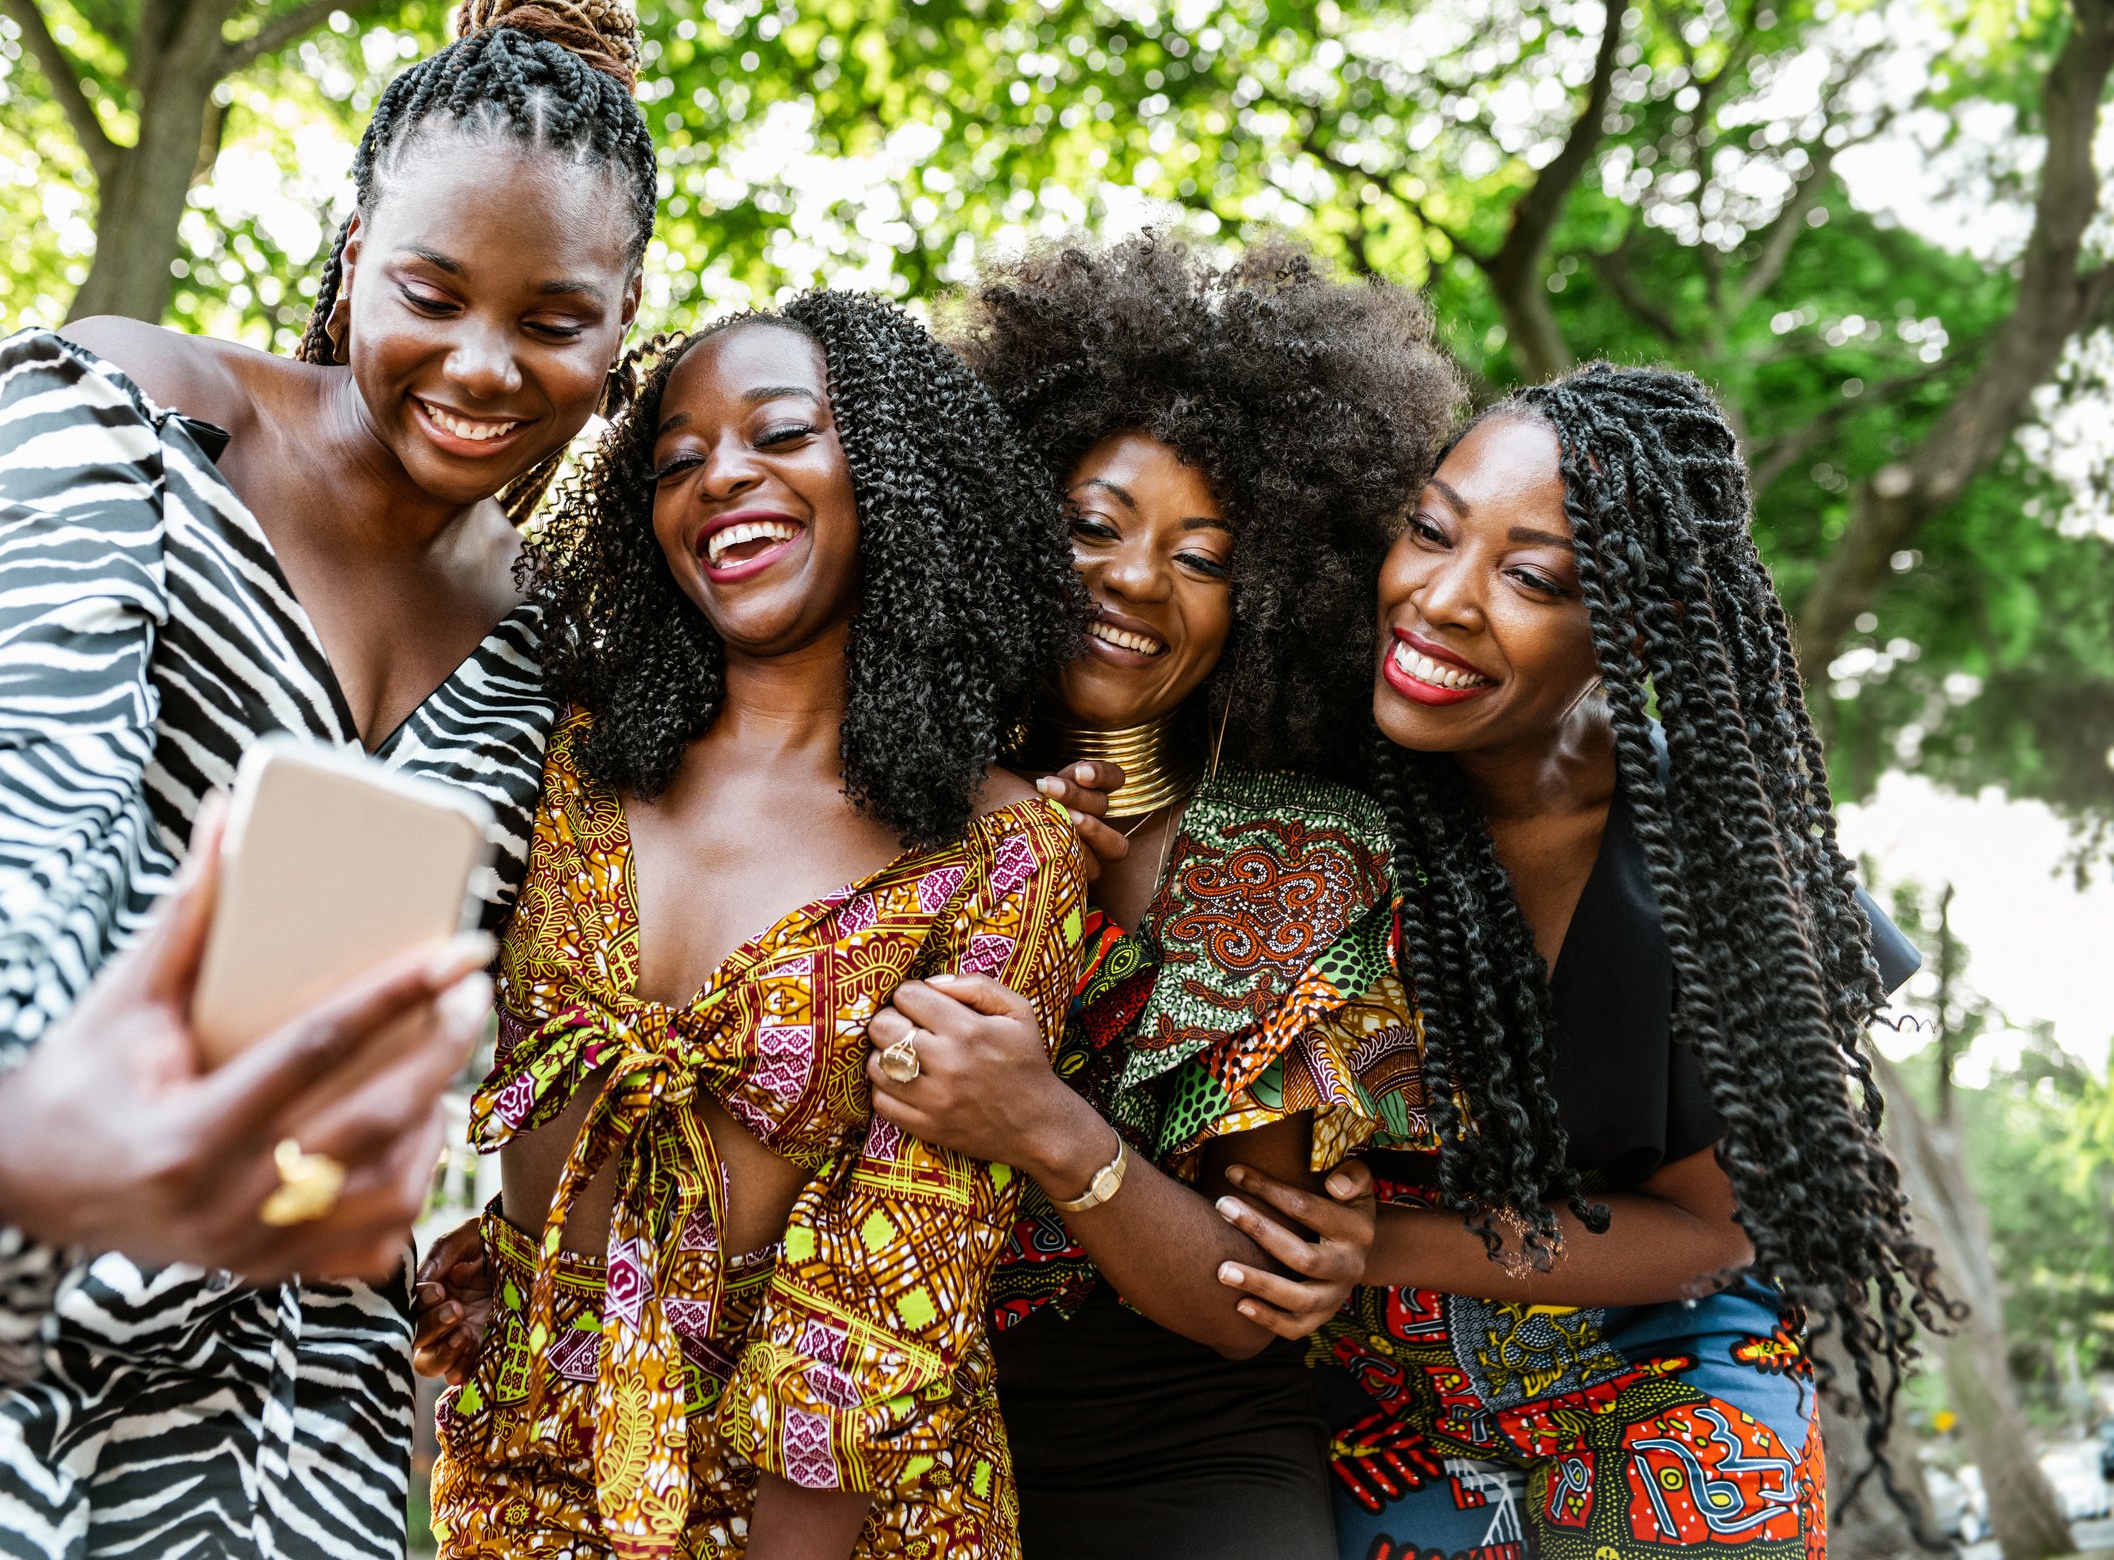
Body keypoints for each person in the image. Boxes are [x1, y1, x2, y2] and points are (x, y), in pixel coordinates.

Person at [0, 0, 658, 1560]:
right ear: (352, 263)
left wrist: (483, 1236)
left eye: (551, 321)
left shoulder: (562, 644)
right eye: (431, 294)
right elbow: (12, 802)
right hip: (1, 1212)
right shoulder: (135, 409)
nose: (484, 366)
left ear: (618, 336)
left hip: (286, 1380)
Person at [1214, 366, 1948, 1560]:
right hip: (1377, 1393)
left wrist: (1373, 1248)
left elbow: (1713, 1230)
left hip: (1658, 1362)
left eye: (1530, 576)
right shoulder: (1295, 785)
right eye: (1429, 531)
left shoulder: (1719, 861)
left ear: (1632, 625)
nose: (1440, 598)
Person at [415, 294, 1090, 1560]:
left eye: (779, 434)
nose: (720, 474)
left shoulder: (1000, 850)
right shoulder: (566, 766)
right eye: (674, 460)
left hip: (827, 1507)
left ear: (889, 475)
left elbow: (898, 1268)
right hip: (522, 1446)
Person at [853, 236, 1465, 1559]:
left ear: (1271, 600)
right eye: (1093, 524)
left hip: (1181, 1454)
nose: (1135, 578)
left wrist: (1042, 1124)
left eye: (1202, 555)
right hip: (863, 1428)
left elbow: (1249, 1299)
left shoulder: (1295, 853)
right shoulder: (873, 798)